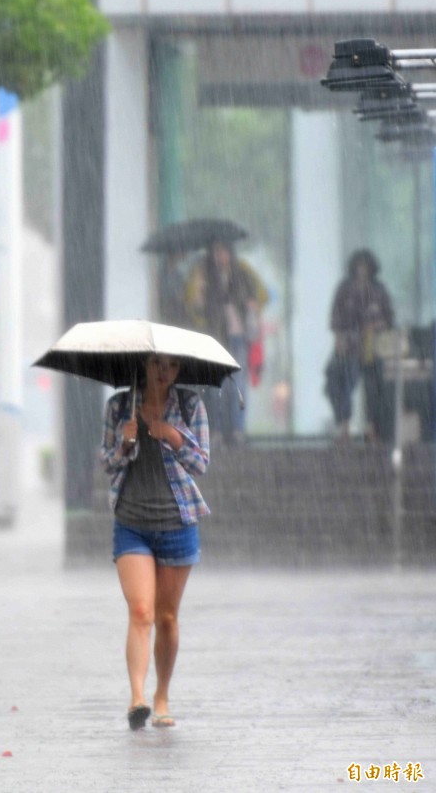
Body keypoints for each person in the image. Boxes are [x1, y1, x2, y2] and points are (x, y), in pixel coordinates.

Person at [100, 354, 210, 730]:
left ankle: (161, 694)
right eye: (158, 364)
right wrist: (124, 444)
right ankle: (137, 698)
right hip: (132, 521)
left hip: (177, 522)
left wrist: (173, 435)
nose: (165, 373)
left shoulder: (190, 404)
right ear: (143, 366)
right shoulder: (119, 405)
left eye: (173, 367)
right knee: (141, 611)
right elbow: (107, 462)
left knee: (166, 617)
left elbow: (200, 464)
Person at [185, 240, 268, 445]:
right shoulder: (206, 276)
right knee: (216, 387)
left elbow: (259, 298)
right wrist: (200, 291)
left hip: (238, 336)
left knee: (237, 385)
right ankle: (218, 430)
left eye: (223, 251)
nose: (221, 256)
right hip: (216, 337)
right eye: (216, 252)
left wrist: (250, 304)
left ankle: (237, 429)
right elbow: (197, 308)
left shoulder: (242, 274)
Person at [326, 249, 395, 442]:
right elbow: (336, 316)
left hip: (373, 346)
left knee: (374, 389)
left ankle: (372, 428)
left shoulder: (378, 289)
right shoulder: (345, 288)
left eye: (365, 266)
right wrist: (339, 338)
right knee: (340, 383)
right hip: (348, 346)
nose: (362, 270)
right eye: (359, 265)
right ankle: (344, 426)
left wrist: (374, 326)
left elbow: (389, 318)